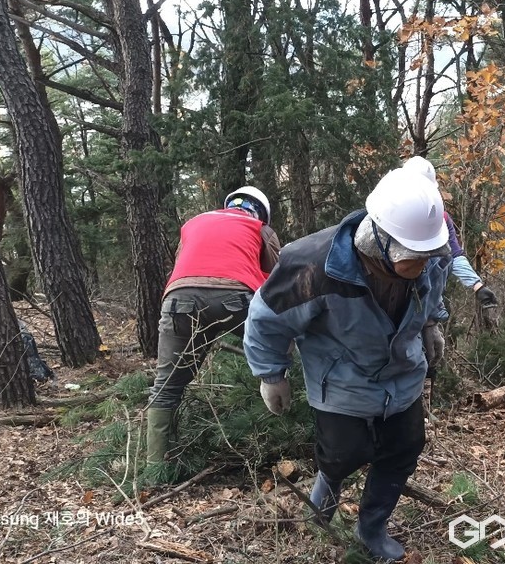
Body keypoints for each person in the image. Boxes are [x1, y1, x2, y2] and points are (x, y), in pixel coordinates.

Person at [243, 168, 449, 561]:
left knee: (405, 447)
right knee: (344, 453)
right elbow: (267, 317)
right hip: (340, 379)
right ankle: (325, 495)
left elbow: (433, 290)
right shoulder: (313, 266)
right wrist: (271, 374)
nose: (422, 264)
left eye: (427, 256)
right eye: (413, 258)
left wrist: (433, 324)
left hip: (402, 374)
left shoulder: (429, 253)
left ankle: (371, 527)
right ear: (381, 241)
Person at [146, 186, 280, 479]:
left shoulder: (193, 224)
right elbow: (277, 277)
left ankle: (154, 471)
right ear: (263, 213)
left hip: (178, 300)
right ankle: (290, 421)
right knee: (280, 352)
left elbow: (187, 265)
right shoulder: (258, 227)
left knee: (166, 386)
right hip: (235, 297)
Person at [401, 156, 501, 328]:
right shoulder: (389, 216)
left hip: (426, 306)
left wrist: (477, 285)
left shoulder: (441, 218)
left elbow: (453, 254)